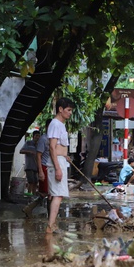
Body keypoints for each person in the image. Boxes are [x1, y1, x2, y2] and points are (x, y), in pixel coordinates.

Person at [47, 98, 75, 234]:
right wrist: (57, 167)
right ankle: (50, 226)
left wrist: (65, 156)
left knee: (58, 195)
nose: (70, 113)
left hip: (61, 160)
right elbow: (52, 147)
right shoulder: (55, 124)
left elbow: (59, 146)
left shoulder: (61, 125)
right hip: (56, 162)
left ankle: (52, 224)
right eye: (68, 110)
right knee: (57, 195)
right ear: (60, 109)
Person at [20, 130, 40, 196]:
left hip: (36, 167)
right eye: (36, 135)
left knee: (35, 182)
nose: (38, 137)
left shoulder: (39, 145)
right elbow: (21, 151)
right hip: (29, 166)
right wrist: (29, 152)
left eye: (39, 136)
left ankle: (33, 196)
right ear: (33, 136)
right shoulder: (28, 143)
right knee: (30, 181)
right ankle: (28, 195)